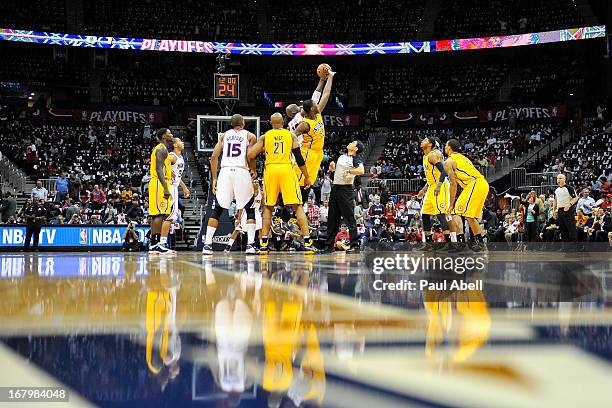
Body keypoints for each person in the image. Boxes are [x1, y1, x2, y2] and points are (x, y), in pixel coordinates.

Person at [247, 112, 315, 254]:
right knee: (297, 206)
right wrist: (307, 177)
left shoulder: (265, 137)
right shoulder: (291, 135)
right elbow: (299, 158)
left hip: (271, 170)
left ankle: (264, 243)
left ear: (271, 123)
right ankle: (308, 242)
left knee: (269, 207)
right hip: (286, 169)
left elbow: (251, 155)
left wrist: (254, 165)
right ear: (283, 122)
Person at [202, 115, 257, 254]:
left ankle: (207, 245)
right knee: (250, 208)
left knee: (218, 210)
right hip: (241, 171)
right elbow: (250, 156)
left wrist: (214, 178)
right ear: (243, 123)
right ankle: (250, 245)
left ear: (231, 125)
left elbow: (214, 157)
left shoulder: (224, 136)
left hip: (225, 172)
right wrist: (254, 170)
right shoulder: (250, 136)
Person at [292, 70, 335, 203]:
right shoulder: (305, 124)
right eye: (315, 104)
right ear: (311, 109)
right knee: (300, 183)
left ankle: (297, 214)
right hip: (307, 153)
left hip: (317, 153)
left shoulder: (318, 114)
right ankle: (288, 214)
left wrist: (330, 77)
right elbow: (291, 136)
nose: (317, 103)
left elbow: (326, 94)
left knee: (308, 184)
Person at [444, 139, 489, 250]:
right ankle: (480, 243)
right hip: (483, 184)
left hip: (474, 184)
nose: (444, 147)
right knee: (469, 216)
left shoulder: (449, 162)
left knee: (454, 211)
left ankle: (460, 242)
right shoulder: (462, 157)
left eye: (445, 145)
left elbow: (453, 185)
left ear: (449, 147)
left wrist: (451, 203)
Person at [322, 140, 365, 253]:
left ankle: (355, 246)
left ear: (355, 149)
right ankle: (329, 246)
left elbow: (361, 170)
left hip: (346, 190)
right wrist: (333, 167)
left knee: (350, 218)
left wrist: (350, 171)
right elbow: (337, 170)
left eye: (353, 143)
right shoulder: (342, 156)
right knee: (332, 218)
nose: (350, 143)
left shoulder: (355, 159)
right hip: (335, 188)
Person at [416, 137, 456, 249]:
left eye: (425, 140)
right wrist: (424, 190)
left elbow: (443, 171)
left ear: (430, 144)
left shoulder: (433, 155)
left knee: (440, 214)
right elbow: (431, 178)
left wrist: (438, 186)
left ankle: (449, 244)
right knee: (425, 214)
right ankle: (428, 244)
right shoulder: (425, 156)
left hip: (441, 185)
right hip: (431, 186)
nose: (422, 141)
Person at [148, 128, 175, 254]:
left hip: (157, 183)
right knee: (160, 214)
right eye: (170, 133)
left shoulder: (161, 149)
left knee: (156, 215)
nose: (172, 135)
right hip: (160, 183)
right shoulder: (161, 148)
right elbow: (159, 170)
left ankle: (153, 244)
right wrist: (165, 187)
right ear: (164, 136)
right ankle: (157, 244)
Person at [160, 138, 190, 251]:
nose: (182, 142)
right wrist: (166, 172)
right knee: (169, 216)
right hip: (169, 187)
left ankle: (160, 243)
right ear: (175, 145)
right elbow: (161, 167)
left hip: (175, 187)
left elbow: (177, 175)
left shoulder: (180, 157)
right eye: (180, 141)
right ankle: (162, 244)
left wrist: (184, 187)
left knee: (169, 217)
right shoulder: (172, 156)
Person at [553, 174, 578, 243]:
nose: (558, 180)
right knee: (562, 229)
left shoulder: (569, 188)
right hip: (560, 210)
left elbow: (575, 198)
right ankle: (565, 246)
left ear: (564, 179)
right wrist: (554, 210)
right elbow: (555, 200)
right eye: (557, 178)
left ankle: (573, 246)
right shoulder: (556, 190)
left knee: (571, 229)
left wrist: (569, 204)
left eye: (560, 178)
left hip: (568, 210)